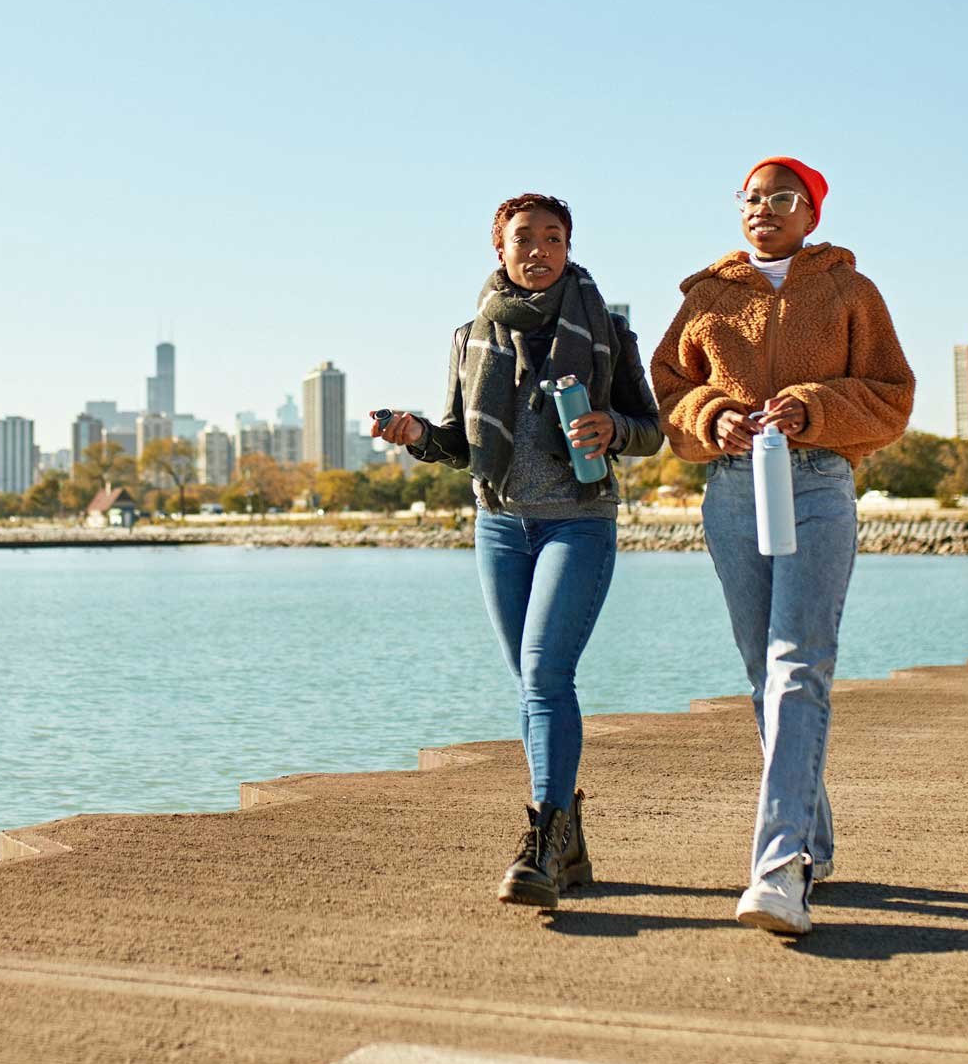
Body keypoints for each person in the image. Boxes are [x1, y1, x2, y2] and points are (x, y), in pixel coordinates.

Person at [373, 192, 662, 910]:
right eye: (524, 238)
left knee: (543, 674)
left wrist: (612, 429)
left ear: (569, 248)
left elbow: (650, 428)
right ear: (498, 249)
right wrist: (417, 435)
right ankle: (569, 842)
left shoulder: (607, 330)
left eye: (553, 238)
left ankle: (543, 843)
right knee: (532, 684)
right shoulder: (471, 335)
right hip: (500, 525)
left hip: (578, 521)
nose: (539, 250)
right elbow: (459, 443)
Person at [652, 157, 914, 935]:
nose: (763, 208)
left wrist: (812, 407)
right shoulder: (706, 298)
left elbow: (892, 397)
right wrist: (712, 416)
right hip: (733, 490)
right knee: (764, 675)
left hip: (818, 484)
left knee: (798, 666)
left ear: (811, 215)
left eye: (783, 198)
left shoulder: (850, 293)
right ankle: (813, 842)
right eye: (752, 197)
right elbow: (666, 392)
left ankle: (778, 871)